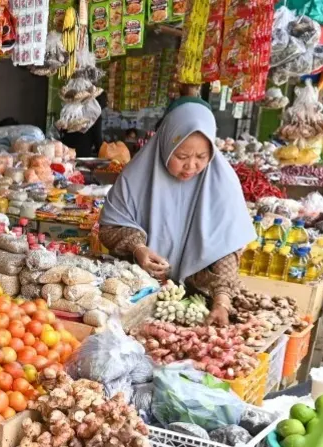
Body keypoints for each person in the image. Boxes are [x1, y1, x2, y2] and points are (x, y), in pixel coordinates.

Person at [97, 101, 255, 326]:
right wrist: (138, 248)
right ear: (165, 145)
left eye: (201, 156)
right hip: (136, 297)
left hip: (197, 305)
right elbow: (110, 227)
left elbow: (225, 249)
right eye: (181, 156)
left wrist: (222, 301)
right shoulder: (135, 177)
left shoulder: (223, 183)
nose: (191, 165)